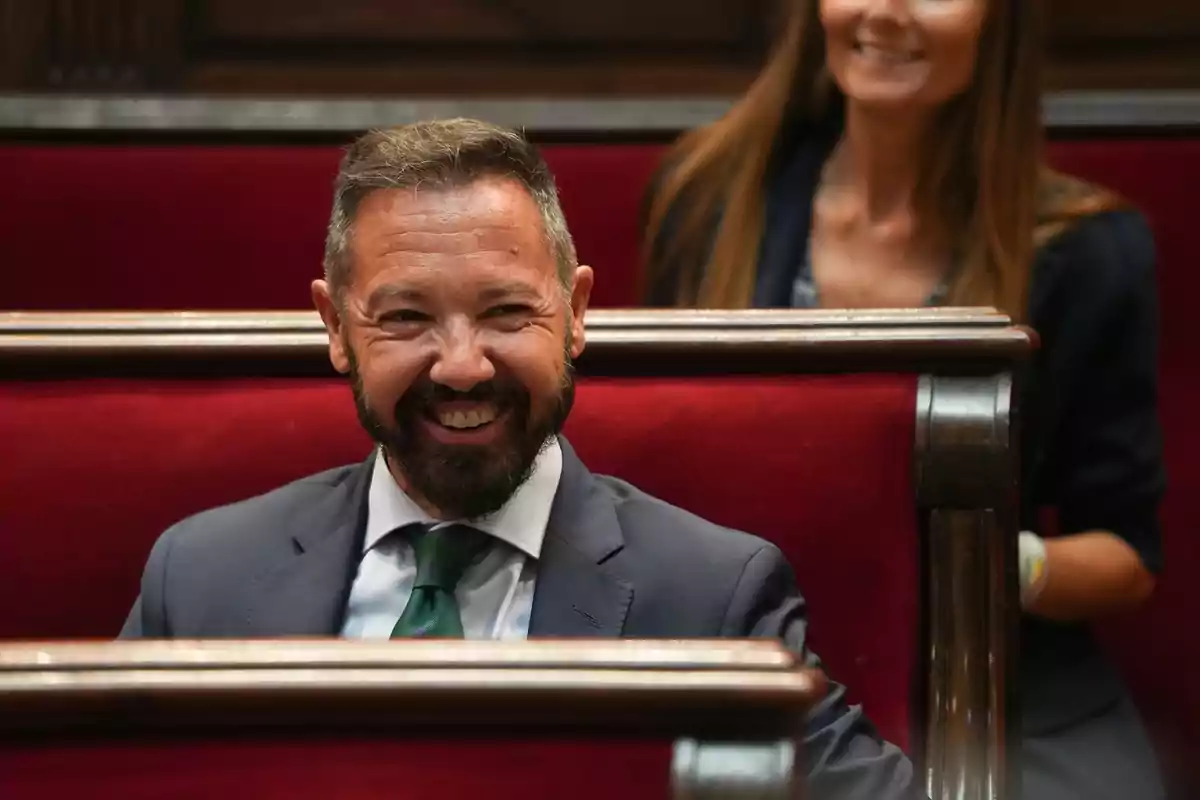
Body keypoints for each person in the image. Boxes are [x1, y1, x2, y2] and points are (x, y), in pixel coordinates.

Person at [119, 119, 920, 798]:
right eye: (406, 317)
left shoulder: (714, 594)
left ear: (574, 313)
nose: (462, 365)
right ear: (335, 327)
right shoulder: (200, 578)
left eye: (506, 312)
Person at [641, 2, 1166, 799]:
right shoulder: (706, 196)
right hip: (750, 658)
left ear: (1001, 24)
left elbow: (1127, 558)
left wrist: (985, 562)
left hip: (996, 685)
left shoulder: (1090, 249)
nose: (884, 11)